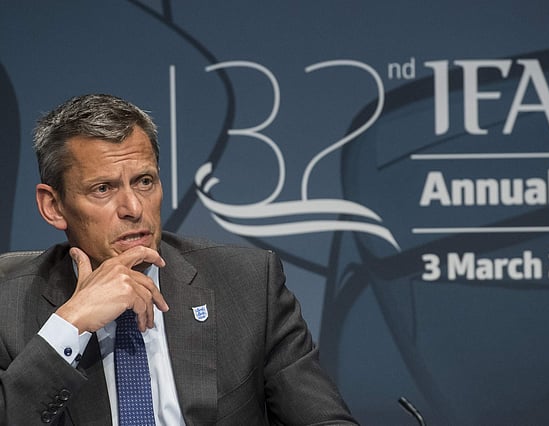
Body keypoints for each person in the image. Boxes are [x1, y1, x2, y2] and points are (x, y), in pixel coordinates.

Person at [0, 94, 358, 425]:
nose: (133, 208)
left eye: (144, 181)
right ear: (53, 205)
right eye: (103, 189)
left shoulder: (247, 285)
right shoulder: (7, 308)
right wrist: (71, 324)